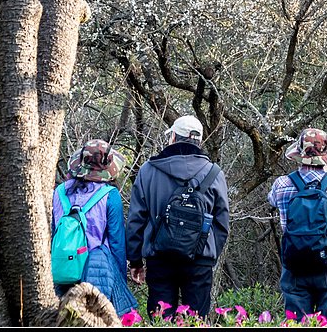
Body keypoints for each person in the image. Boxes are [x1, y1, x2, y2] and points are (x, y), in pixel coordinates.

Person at [125, 115, 230, 319]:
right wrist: (209, 253)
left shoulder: (148, 170)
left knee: (161, 318)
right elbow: (222, 222)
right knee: (196, 319)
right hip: (199, 260)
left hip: (159, 257)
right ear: (199, 141)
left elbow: (136, 219)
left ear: (173, 137)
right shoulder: (215, 173)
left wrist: (135, 260)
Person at [268, 128, 327, 324]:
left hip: (293, 263)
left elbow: (272, 200)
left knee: (295, 321)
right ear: (326, 155)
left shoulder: (282, 184)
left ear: (300, 153)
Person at [51, 139, 138, 317]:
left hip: (63, 268)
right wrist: (120, 282)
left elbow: (54, 231)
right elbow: (117, 244)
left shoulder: (59, 192)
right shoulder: (110, 196)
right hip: (96, 271)